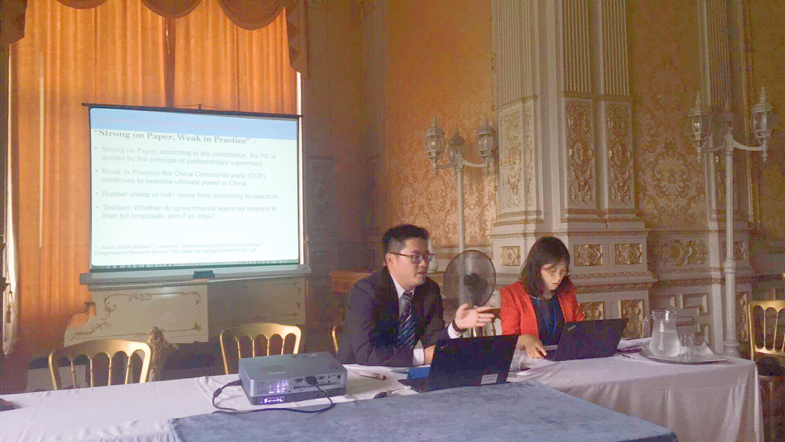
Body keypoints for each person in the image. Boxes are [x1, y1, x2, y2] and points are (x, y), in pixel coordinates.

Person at [337, 224, 494, 367]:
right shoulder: (365, 291)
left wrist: (456, 327)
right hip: (359, 375)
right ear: (391, 259)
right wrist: (423, 356)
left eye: (426, 256)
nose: (424, 264)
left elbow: (431, 340)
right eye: (415, 257)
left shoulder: (429, 289)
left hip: (402, 372)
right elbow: (367, 354)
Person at [500, 236, 585, 358]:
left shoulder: (567, 292)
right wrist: (525, 339)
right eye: (552, 271)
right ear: (536, 269)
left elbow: (580, 328)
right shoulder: (513, 294)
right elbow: (508, 340)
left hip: (564, 358)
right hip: (531, 361)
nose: (558, 278)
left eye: (563, 272)